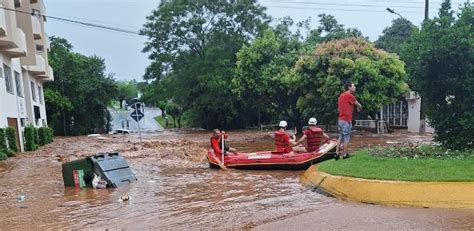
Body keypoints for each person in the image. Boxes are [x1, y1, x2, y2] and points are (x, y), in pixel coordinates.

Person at [336, 81, 362, 160]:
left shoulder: (341, 96)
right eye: (353, 86)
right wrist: (358, 108)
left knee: (340, 137)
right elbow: (359, 105)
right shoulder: (350, 96)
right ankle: (344, 154)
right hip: (346, 120)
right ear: (349, 87)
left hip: (340, 119)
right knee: (346, 137)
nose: (355, 87)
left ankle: (337, 153)